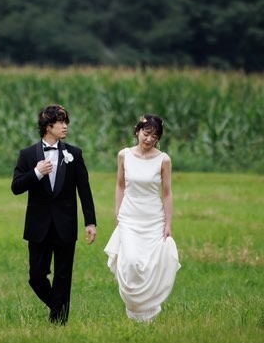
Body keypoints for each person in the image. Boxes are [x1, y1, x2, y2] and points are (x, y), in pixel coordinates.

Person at [11, 104, 97, 325]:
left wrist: (90, 222)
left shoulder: (74, 154)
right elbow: (16, 187)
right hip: (38, 226)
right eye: (61, 122)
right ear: (48, 126)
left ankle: (59, 323)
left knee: (63, 276)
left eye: (66, 122)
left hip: (66, 224)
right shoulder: (28, 155)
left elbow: (84, 190)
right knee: (36, 278)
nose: (65, 126)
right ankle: (58, 309)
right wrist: (37, 173)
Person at [104, 114, 180, 322]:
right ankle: (133, 308)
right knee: (131, 263)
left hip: (153, 219)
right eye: (146, 134)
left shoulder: (164, 159)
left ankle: (148, 313)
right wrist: (117, 214)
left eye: (154, 136)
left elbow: (167, 193)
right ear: (137, 131)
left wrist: (168, 224)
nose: (149, 139)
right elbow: (120, 185)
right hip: (129, 217)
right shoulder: (124, 155)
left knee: (149, 265)